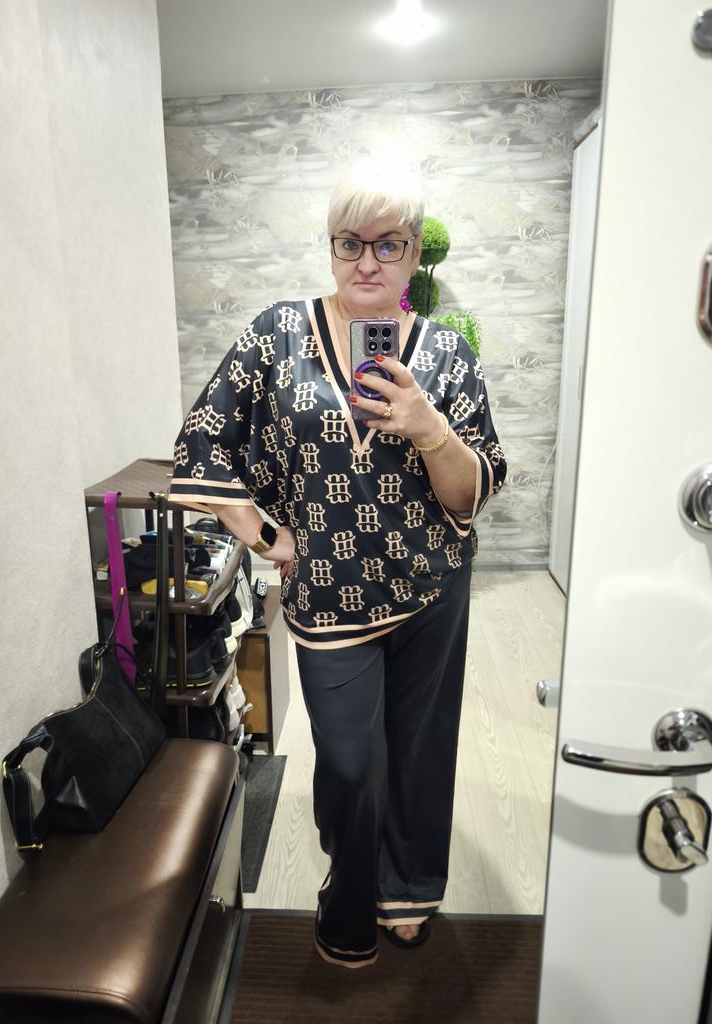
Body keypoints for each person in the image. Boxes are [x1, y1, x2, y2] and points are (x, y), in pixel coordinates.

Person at [169, 160, 506, 969]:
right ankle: (348, 891)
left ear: (413, 255)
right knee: (352, 763)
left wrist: (429, 427)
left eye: (388, 244)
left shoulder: (445, 355)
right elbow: (202, 442)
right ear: (330, 246)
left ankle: (409, 889)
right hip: (327, 595)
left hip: (431, 587)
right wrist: (265, 536)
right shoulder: (277, 333)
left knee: (420, 747)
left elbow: (471, 491)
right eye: (349, 242)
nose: (366, 261)